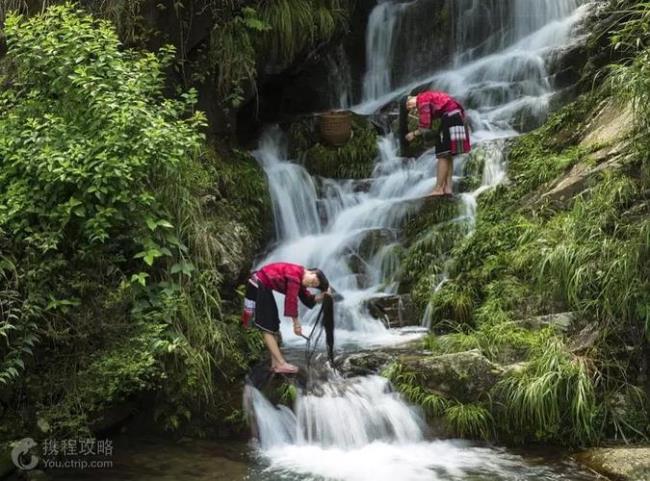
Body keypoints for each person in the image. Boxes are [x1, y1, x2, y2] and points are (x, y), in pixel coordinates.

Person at [242, 262, 330, 374]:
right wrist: (296, 324)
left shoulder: (299, 277)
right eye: (312, 281)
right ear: (311, 272)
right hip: (258, 284)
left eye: (313, 286)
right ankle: (281, 363)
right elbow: (291, 300)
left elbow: (307, 298)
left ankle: (275, 364)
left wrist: (322, 296)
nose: (310, 285)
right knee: (267, 327)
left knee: (273, 326)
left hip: (263, 286)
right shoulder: (295, 275)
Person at [404, 91, 471, 197]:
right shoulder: (428, 96)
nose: (411, 107)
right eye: (410, 108)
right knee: (448, 154)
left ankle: (438, 188)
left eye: (410, 105)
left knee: (442, 154)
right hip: (457, 117)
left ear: (411, 98)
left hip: (450, 118)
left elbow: (425, 125)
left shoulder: (422, 100)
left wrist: (413, 134)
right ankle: (448, 187)